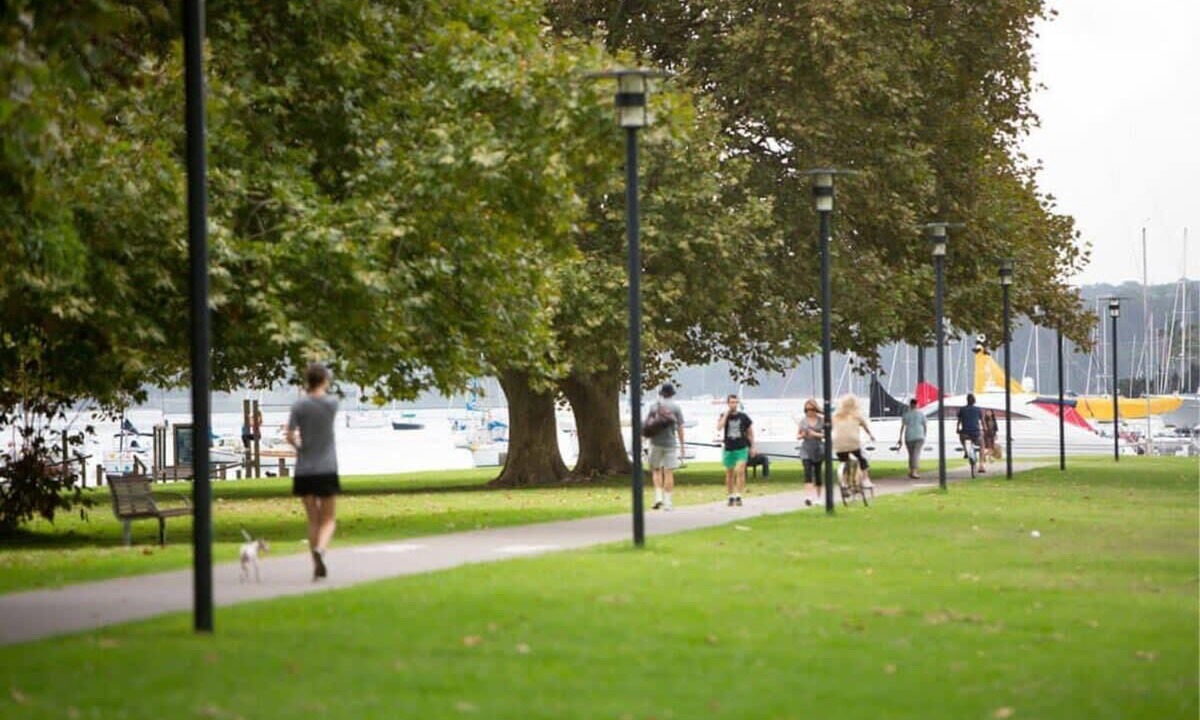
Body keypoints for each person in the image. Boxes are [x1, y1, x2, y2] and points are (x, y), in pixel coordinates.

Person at [286, 362, 341, 581]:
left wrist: (300, 448)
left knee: (313, 519)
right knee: (329, 518)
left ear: (307, 381)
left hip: (304, 469)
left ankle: (314, 564)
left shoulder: (299, 406)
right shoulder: (332, 403)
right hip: (327, 467)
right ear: (325, 380)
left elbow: (289, 435)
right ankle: (321, 550)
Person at [647, 383, 685, 511]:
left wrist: (643, 441)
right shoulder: (676, 407)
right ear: (672, 394)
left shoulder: (654, 406)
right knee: (668, 472)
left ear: (661, 393)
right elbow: (680, 427)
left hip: (655, 443)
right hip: (670, 443)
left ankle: (658, 497)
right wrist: (682, 445)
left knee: (656, 470)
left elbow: (648, 426)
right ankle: (668, 503)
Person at [717, 394, 755, 507]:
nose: (733, 404)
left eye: (735, 402)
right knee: (729, 473)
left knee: (740, 470)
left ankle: (739, 494)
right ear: (728, 403)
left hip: (741, 447)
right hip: (729, 447)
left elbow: (750, 432)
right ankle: (730, 495)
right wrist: (726, 414)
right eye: (731, 402)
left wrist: (752, 446)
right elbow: (719, 427)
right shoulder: (724, 415)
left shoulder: (743, 417)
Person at [831, 394, 876, 489]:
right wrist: (871, 436)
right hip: (853, 443)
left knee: (844, 461)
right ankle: (865, 480)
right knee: (862, 459)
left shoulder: (836, 416)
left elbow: (830, 427)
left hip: (838, 445)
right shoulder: (856, 416)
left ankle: (844, 482)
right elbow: (865, 427)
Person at [797, 399, 825, 505]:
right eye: (807, 409)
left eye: (812, 409)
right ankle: (808, 496)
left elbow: (826, 434)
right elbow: (798, 436)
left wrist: (815, 434)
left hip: (818, 449)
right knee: (807, 472)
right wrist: (803, 435)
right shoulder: (803, 421)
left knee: (818, 474)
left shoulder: (821, 421)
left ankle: (818, 497)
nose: (810, 411)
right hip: (806, 449)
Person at [956, 393, 986, 473]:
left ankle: (965, 450)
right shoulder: (978, 409)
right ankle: (981, 465)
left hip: (965, 433)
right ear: (974, 401)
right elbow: (982, 421)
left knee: (961, 436)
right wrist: (985, 428)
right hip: (975, 432)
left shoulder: (962, 409)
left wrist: (957, 429)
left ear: (967, 401)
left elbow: (959, 421)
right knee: (982, 445)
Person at [899, 398, 927, 479]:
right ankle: (914, 471)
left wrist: (900, 438)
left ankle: (911, 471)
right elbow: (925, 425)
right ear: (917, 404)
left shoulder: (906, 414)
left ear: (910, 404)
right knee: (916, 454)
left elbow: (903, 426)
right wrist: (924, 434)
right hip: (919, 436)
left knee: (911, 455)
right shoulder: (921, 414)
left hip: (909, 436)